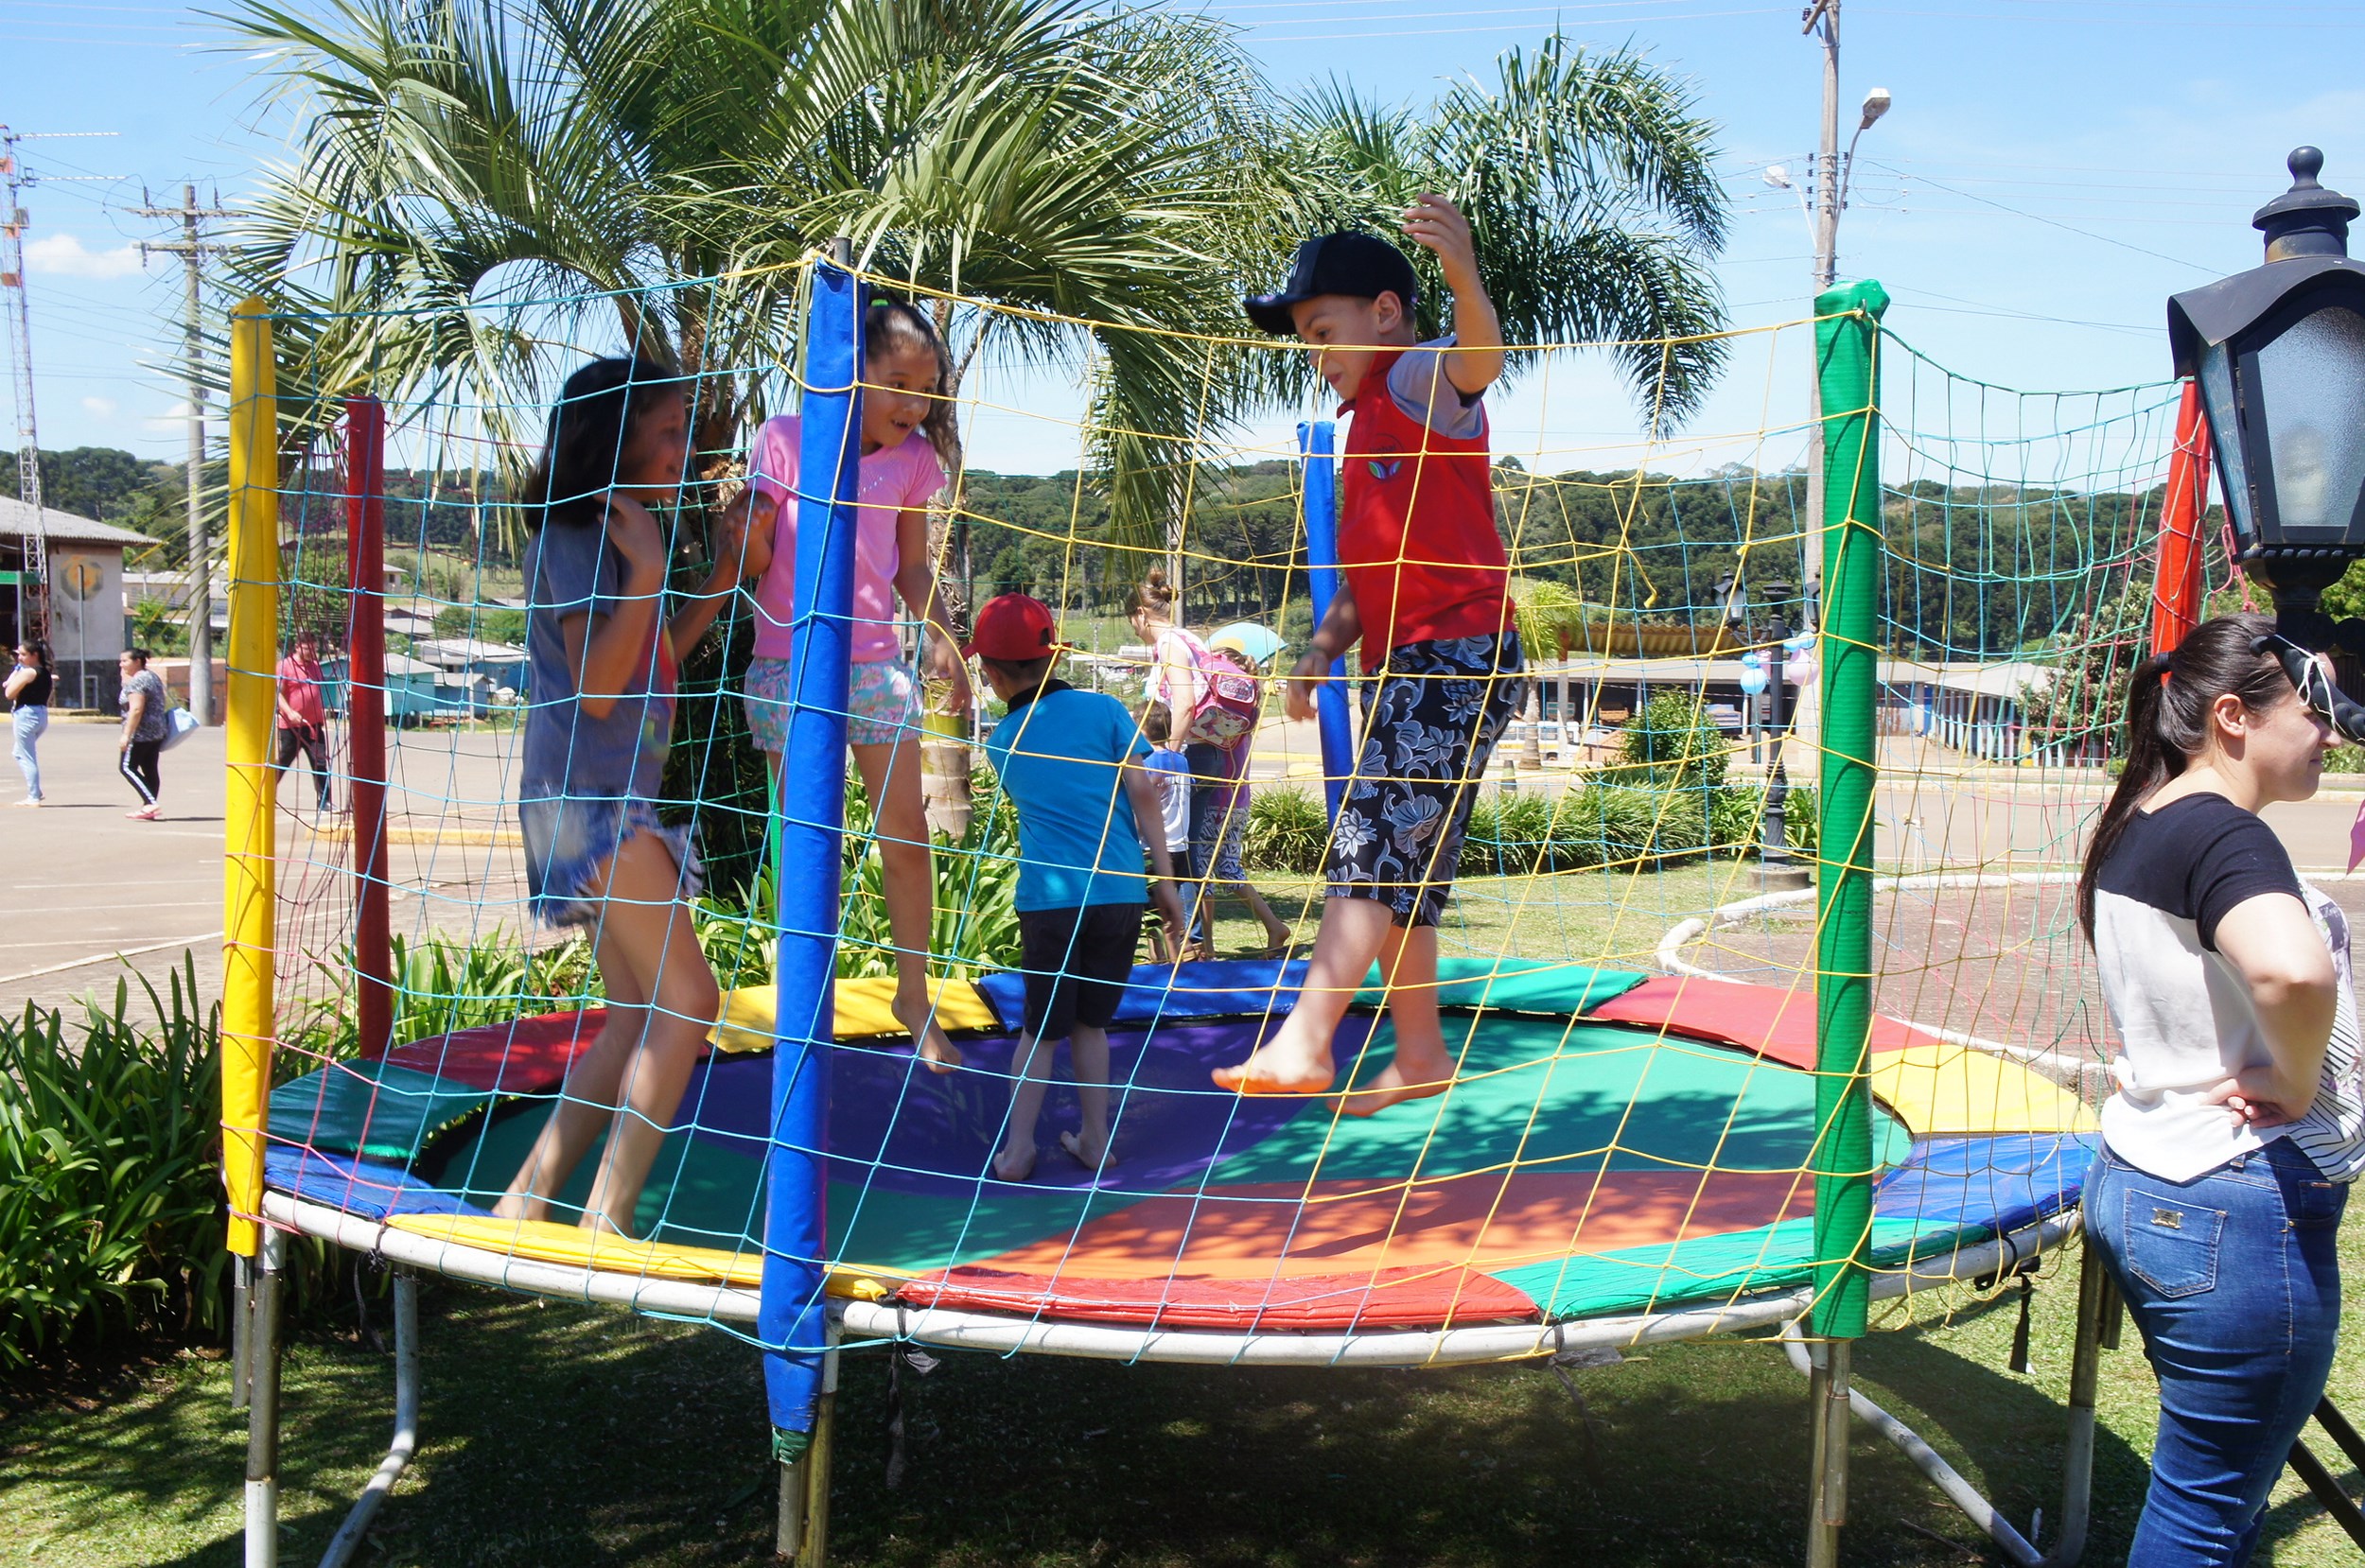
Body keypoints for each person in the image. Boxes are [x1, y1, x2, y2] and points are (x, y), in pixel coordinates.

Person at [1213, 198, 1527, 1109]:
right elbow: (1370, 576)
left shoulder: (1413, 379)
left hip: (1455, 654)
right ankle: (1420, 1051)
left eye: (1324, 332)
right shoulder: (1364, 427)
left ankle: (1306, 1040)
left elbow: (1479, 361)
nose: (1318, 356)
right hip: (1420, 661)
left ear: (1385, 312)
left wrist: (1463, 276)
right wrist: (1321, 648)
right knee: (1406, 870)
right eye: (1307, 342)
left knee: (1367, 843)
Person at [2077, 613, 2365, 1564]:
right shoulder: (2224, 831)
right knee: (2201, 1518)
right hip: (2230, 1204)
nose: (2332, 736)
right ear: (2233, 717)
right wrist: (2292, 1080)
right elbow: (2292, 971)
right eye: (2315, 712)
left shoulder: (2143, 818)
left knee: (2209, 1497)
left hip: (2143, 1179)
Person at [493, 355, 748, 1237]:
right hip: (589, 800)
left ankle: (525, 1201)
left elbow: (651, 657)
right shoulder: (581, 533)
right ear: (613, 436)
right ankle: (607, 1216)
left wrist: (719, 575)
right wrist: (644, 571)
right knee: (691, 1001)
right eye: (669, 430)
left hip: (594, 797)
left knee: (636, 1013)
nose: (685, 447)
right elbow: (597, 689)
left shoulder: (621, 529)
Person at [736, 298, 972, 1074]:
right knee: (810, 841)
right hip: (791, 667)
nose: (913, 404)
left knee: (906, 833)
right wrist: (743, 527)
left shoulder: (913, 462)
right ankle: (804, 997)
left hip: (873, 670)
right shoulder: (785, 440)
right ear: (853, 372)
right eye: (897, 383)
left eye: (925, 390)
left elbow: (911, 567)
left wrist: (943, 638)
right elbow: (754, 556)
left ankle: (914, 995)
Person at [972, 593, 1187, 1181]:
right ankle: (1095, 1140)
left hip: (1052, 902)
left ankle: (1019, 1150)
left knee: (1041, 1031)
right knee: (1091, 1024)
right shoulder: (1106, 710)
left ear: (991, 674)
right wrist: (1167, 883)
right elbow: (1142, 794)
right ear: (1055, 655)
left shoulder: (1001, 741)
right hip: (1119, 895)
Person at [1130, 572, 1290, 962]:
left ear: (1140, 615)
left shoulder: (1170, 643)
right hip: (1210, 752)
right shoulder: (1191, 638)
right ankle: (1188, 944)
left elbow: (1184, 703)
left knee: (1178, 851)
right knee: (1186, 851)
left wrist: (1168, 757)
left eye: (1132, 622)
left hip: (1193, 753)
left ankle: (1190, 945)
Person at [1139, 702, 1194, 964]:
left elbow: (1144, 808)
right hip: (1181, 845)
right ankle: (1171, 962)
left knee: (1154, 916)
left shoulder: (1146, 763)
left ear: (1141, 730)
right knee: (1171, 912)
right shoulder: (1181, 761)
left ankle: (1161, 962)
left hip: (1154, 847)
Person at [274, 629, 335, 813]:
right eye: (308, 649)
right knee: (283, 761)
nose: (311, 652)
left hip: (313, 725)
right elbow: (277, 694)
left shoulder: (315, 666)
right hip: (291, 726)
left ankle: (324, 801)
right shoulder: (285, 666)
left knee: (320, 762)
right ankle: (269, 792)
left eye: (314, 649)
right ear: (298, 647)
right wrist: (289, 712)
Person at [117, 647, 169, 821]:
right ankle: (149, 808)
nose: (121, 664)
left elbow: (136, 709)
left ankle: (150, 803)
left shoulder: (138, 681)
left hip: (140, 733)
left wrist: (126, 734)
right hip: (156, 731)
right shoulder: (151, 676)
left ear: (137, 661)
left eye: (125, 661)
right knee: (150, 769)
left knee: (127, 767)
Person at [7, 639, 52, 806]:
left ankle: (33, 796)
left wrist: (15, 676)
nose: (19, 658)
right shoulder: (45, 672)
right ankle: (36, 791)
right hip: (40, 714)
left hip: (26, 715)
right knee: (18, 752)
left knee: (27, 757)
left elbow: (9, 693)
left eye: (23, 654)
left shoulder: (28, 673)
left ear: (35, 655)